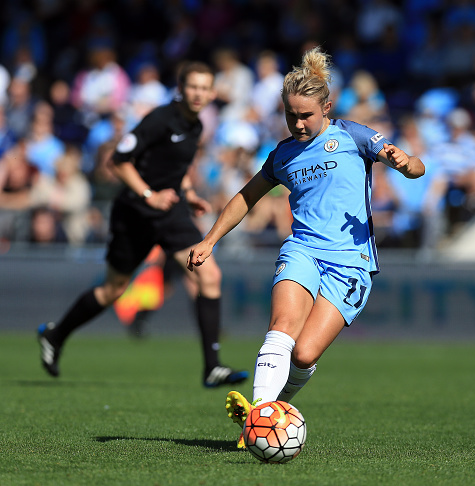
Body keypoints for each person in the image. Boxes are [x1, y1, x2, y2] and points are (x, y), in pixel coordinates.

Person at [186, 47, 425, 448]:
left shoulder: (353, 135)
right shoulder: (282, 155)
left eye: (306, 115)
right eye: (290, 115)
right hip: (302, 249)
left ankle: (270, 410)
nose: (297, 123)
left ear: (326, 107)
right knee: (281, 328)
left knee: (304, 355)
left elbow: (417, 167)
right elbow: (246, 197)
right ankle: (260, 417)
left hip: (351, 260)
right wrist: (210, 239)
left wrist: (405, 162)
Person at [37, 61, 248, 388]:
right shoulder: (160, 120)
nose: (199, 94)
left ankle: (212, 367)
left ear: (212, 92)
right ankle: (55, 334)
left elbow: (179, 167)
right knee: (112, 291)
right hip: (136, 212)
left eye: (205, 88)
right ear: (181, 88)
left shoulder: (196, 126)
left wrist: (189, 192)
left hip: (171, 212)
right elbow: (118, 162)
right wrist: (148, 194)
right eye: (193, 86)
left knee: (209, 273)